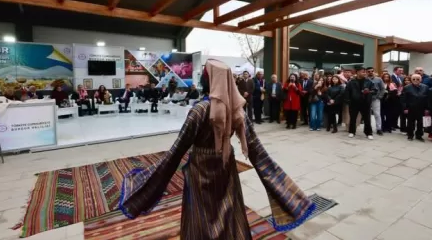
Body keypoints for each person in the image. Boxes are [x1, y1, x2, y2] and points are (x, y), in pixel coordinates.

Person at [118, 59, 316, 235]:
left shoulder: (199, 111)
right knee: (228, 210)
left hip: (200, 171)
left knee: (201, 215)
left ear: (207, 81)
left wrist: (143, 186)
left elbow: (176, 151)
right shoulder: (237, 110)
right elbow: (258, 152)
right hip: (225, 166)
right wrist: (289, 194)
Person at [402, 73, 430, 142]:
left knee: (420, 123)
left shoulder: (425, 87)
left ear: (421, 79)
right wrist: (405, 108)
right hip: (411, 108)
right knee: (410, 123)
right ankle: (410, 135)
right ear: (411, 79)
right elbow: (403, 99)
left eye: (418, 79)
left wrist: (427, 108)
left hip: (421, 108)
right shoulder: (407, 87)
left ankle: (419, 135)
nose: (415, 80)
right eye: (413, 79)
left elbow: (428, 99)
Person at [345, 68, 373, 139]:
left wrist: (369, 91)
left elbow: (375, 90)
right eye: (362, 72)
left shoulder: (369, 81)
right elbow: (347, 92)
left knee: (367, 119)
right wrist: (348, 101)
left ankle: (368, 133)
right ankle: (352, 132)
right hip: (354, 103)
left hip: (365, 102)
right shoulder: (351, 82)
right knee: (353, 118)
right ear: (357, 72)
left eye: (365, 72)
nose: (364, 73)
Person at [367, 67, 385, 136]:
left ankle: (379, 129)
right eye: (369, 71)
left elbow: (383, 89)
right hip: (367, 99)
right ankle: (369, 128)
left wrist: (380, 97)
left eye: (372, 71)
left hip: (376, 99)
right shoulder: (365, 79)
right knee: (367, 115)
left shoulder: (379, 79)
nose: (370, 72)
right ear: (367, 72)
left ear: (374, 71)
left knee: (377, 114)